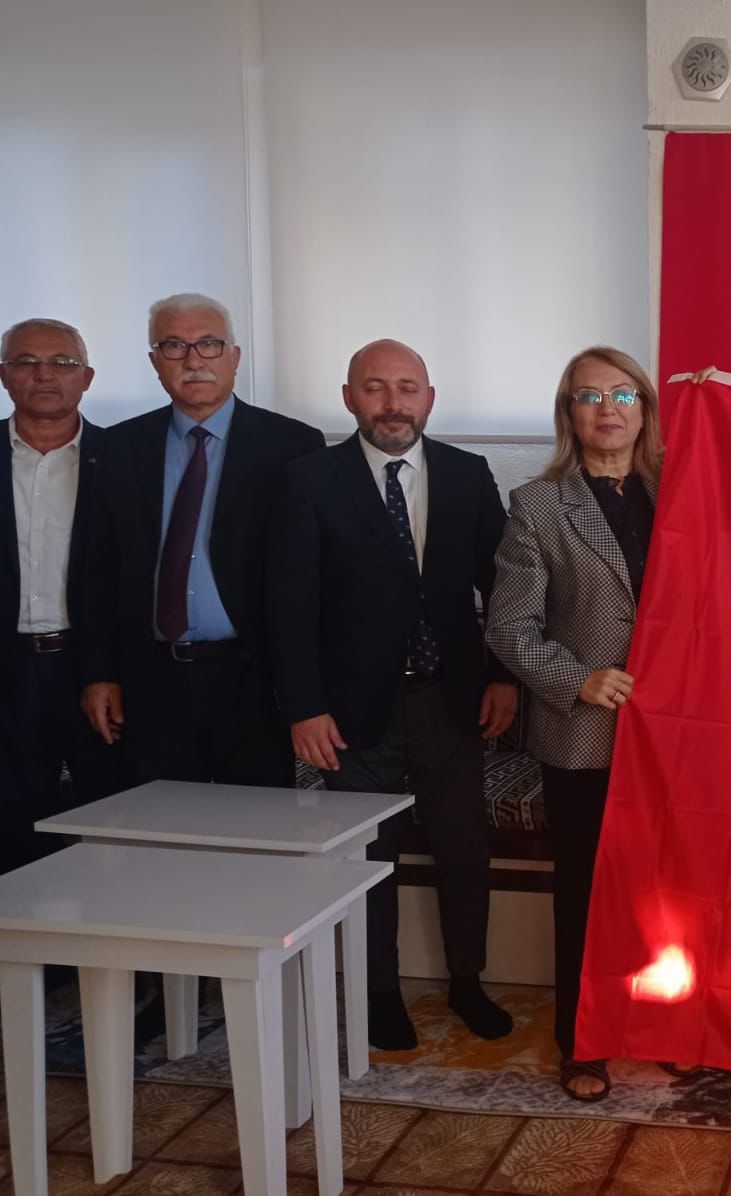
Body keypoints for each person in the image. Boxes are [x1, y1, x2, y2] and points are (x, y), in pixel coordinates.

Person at [269, 339, 517, 1050]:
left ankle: (467, 980)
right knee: (368, 857)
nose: (393, 403)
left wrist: (503, 677)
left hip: (452, 698)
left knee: (464, 851)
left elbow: (505, 589)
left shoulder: (468, 474)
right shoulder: (310, 480)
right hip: (352, 710)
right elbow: (289, 604)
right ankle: (377, 990)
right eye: (375, 387)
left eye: (407, 387)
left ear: (429, 398)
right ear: (349, 398)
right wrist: (303, 707)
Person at [485, 345, 665, 1101]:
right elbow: (509, 627)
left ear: (645, 408)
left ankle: (665, 1026)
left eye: (623, 394)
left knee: (667, 893)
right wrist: (578, 680)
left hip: (676, 738)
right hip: (584, 736)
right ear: (569, 414)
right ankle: (583, 1041)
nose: (607, 409)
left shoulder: (684, 492)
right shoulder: (539, 506)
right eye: (589, 396)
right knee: (588, 894)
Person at [79, 294, 323, 786]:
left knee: (255, 823)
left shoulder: (293, 445)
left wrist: (305, 693)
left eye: (209, 344)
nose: (193, 360)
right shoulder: (120, 447)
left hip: (251, 679)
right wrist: (99, 672)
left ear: (234, 356)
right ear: (155, 362)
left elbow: (307, 578)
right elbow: (98, 569)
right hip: (150, 680)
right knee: (159, 823)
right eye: (174, 345)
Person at [1, 318, 124, 874]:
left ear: (87, 377)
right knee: (12, 830)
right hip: (9, 669)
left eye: (63, 363)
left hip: (93, 670)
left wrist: (107, 669)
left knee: (111, 827)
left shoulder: (123, 458)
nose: (44, 375)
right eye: (26, 362)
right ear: (4, 375)